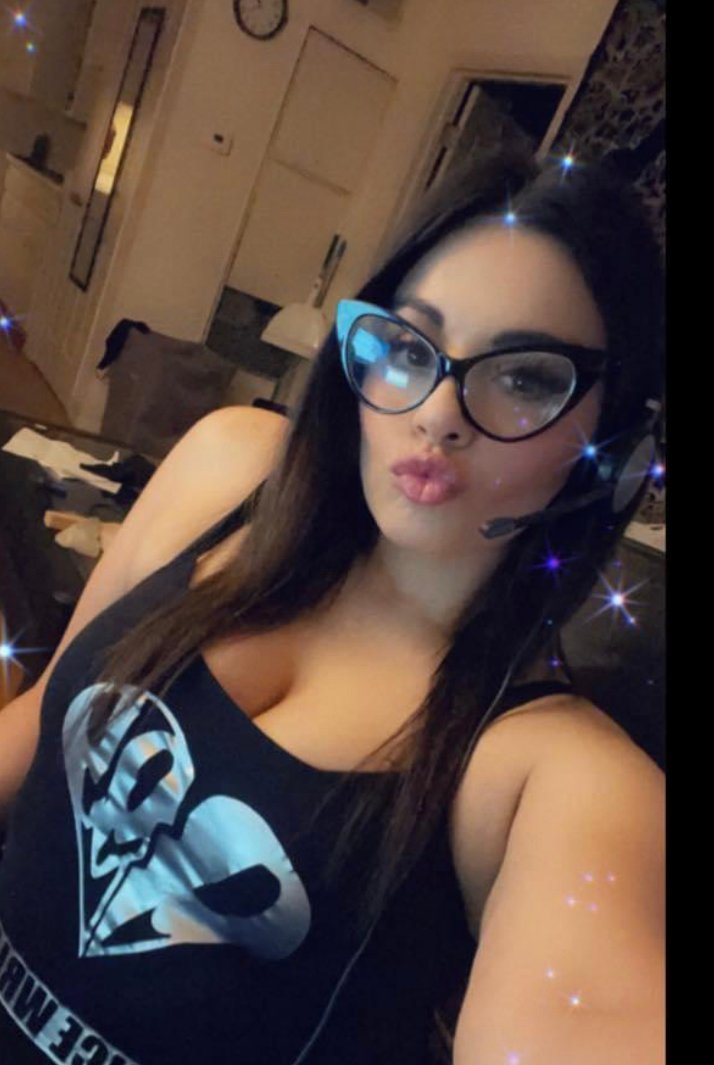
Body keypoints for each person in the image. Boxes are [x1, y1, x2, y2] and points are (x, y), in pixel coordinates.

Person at [0, 145, 665, 1064]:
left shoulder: (554, 770)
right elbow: (37, 727)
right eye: (409, 347)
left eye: (524, 378)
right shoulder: (231, 469)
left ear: (616, 446)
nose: (438, 412)